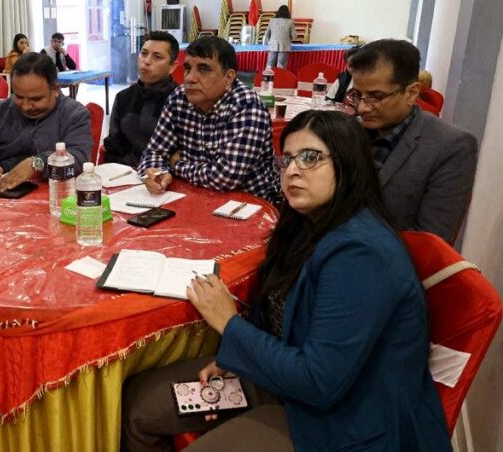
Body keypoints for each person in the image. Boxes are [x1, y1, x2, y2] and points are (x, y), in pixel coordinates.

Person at [122, 110, 452, 452]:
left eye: (310, 158)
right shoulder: (303, 224)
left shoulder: (361, 254)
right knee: (137, 406)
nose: (292, 170)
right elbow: (281, 326)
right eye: (288, 159)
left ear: (348, 164)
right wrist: (239, 357)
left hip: (340, 420)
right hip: (284, 381)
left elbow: (318, 383)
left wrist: (230, 325)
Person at [347, 39, 478, 243]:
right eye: (357, 95)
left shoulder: (451, 147)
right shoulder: (352, 131)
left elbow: (428, 243)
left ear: (411, 93)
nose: (362, 108)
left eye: (376, 96)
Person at [136, 36, 280, 203]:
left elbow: (225, 177)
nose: (190, 78)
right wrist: (155, 173)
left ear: (229, 78)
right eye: (187, 68)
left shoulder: (247, 106)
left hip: (248, 205)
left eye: (203, 69)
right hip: (194, 198)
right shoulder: (179, 98)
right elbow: (154, 152)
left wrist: (177, 165)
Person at [0, 52, 91, 193]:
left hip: (56, 195)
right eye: (19, 97)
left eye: (36, 99)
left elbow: (79, 158)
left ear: (55, 89)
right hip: (0, 193)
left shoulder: (74, 114)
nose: (25, 106)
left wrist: (38, 163)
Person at [103, 31, 178, 167]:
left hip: (164, 174)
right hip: (126, 172)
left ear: (172, 66)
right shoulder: (124, 98)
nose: (147, 61)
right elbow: (113, 146)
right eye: (144, 53)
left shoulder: (181, 101)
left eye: (157, 57)